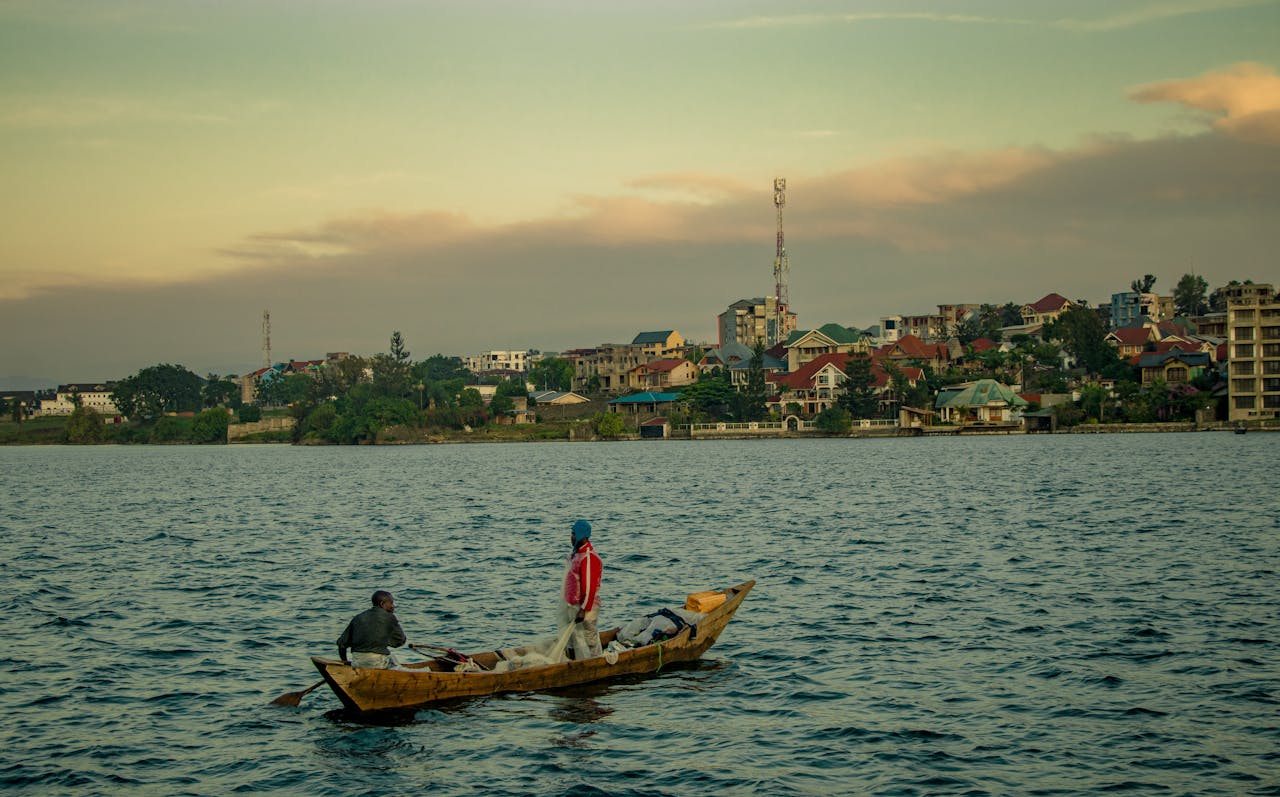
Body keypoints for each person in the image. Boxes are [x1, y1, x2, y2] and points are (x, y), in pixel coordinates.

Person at [561, 519, 603, 659]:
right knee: (573, 639)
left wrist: (583, 609)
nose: (571, 537)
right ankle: (575, 663)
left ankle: (595, 663)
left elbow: (590, 587)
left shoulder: (589, 558)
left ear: (582, 536)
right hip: (574, 606)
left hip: (586, 608)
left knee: (589, 639)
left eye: (573, 534)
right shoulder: (577, 554)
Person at [337, 590, 406, 669]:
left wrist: (345, 662)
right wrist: (384, 640)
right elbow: (400, 641)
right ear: (382, 604)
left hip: (357, 663)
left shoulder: (358, 617)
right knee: (393, 659)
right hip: (377, 663)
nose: (393, 606)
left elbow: (341, 644)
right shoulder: (389, 617)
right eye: (391, 603)